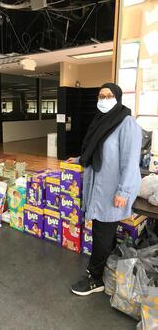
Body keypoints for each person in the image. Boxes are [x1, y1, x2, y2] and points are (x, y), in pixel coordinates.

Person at [70, 83, 142, 296]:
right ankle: (105, 270)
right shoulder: (100, 121)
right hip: (99, 187)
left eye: (109, 95)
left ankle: (94, 278)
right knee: (103, 231)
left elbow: (130, 162)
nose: (103, 99)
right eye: (101, 95)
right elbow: (93, 150)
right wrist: (79, 160)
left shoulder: (127, 123)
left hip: (113, 191)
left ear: (118, 98)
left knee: (102, 232)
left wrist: (124, 191)